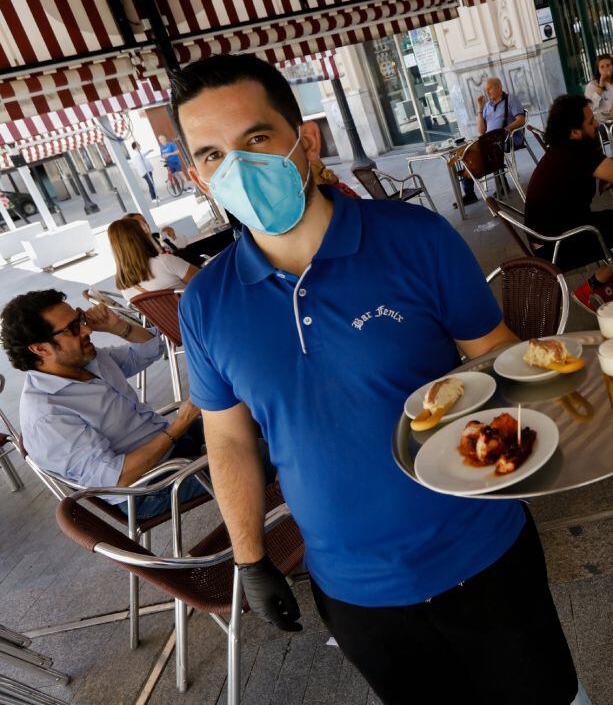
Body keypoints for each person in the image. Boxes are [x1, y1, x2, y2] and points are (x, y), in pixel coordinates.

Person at [170, 53, 586, 704]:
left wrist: (570, 401)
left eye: (256, 138)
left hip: (483, 552)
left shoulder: (416, 238)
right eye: (213, 154)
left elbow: (494, 353)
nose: (240, 168)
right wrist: (250, 557)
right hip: (352, 589)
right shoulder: (206, 303)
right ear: (197, 175)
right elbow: (227, 439)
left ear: (304, 140)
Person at [0, 290, 205, 517]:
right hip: (150, 487)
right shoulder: (48, 415)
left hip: (169, 445)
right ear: (40, 348)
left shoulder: (86, 361)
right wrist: (181, 423)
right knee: (247, 458)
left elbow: (151, 349)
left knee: (244, 417)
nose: (87, 330)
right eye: (73, 328)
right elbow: (119, 478)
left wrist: (117, 327)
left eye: (80, 319)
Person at [525, 94, 613, 311]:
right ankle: (593, 287)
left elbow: (605, 164)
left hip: (548, 236)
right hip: (558, 244)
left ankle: (605, 284)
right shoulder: (577, 153)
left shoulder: (564, 149)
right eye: (590, 122)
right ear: (574, 131)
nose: (596, 124)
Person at [459, 76, 526, 206]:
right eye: (486, 89)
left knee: (487, 149)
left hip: (509, 138)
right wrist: (480, 108)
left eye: (489, 89)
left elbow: (520, 120)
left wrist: (504, 130)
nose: (487, 92)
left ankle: (501, 183)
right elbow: (481, 130)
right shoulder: (487, 106)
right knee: (467, 152)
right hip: (489, 141)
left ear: (499, 87)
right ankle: (470, 192)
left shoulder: (511, 99)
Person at [108, 217, 199, 301]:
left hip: (170, 318)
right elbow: (205, 280)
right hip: (200, 312)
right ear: (141, 237)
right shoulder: (164, 262)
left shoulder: (125, 287)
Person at [584, 54, 613, 123]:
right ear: (598, 70)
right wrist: (600, 86)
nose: (606, 69)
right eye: (602, 67)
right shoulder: (592, 85)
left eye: (608, 65)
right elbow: (591, 107)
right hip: (604, 122)